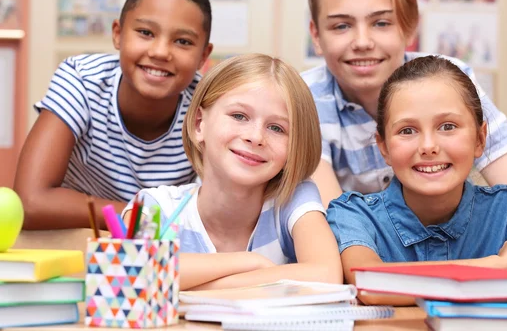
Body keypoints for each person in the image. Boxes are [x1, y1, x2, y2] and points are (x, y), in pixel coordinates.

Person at [302, 0, 507, 231]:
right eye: (341, 26)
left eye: (381, 23)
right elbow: (333, 235)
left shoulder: (451, 79)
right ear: (316, 36)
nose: (362, 41)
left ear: (409, 27)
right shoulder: (303, 99)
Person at [327, 56, 507, 304]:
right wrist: (498, 266)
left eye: (448, 126)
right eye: (407, 131)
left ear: (480, 139)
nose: (429, 146)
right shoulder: (352, 214)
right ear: (384, 147)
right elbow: (371, 285)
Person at [122, 54, 342, 290]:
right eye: (239, 116)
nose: (256, 137)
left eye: (277, 128)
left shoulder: (293, 200)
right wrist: (249, 262)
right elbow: (130, 275)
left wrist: (190, 288)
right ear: (199, 124)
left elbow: (326, 275)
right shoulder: (152, 206)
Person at [14, 0, 214, 230]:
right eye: (145, 32)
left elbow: (217, 212)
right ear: (118, 34)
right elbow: (30, 202)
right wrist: (145, 217)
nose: (160, 52)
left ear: (203, 56)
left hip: (164, 257)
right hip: (78, 247)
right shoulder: (82, 79)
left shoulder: (208, 106)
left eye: (183, 41)